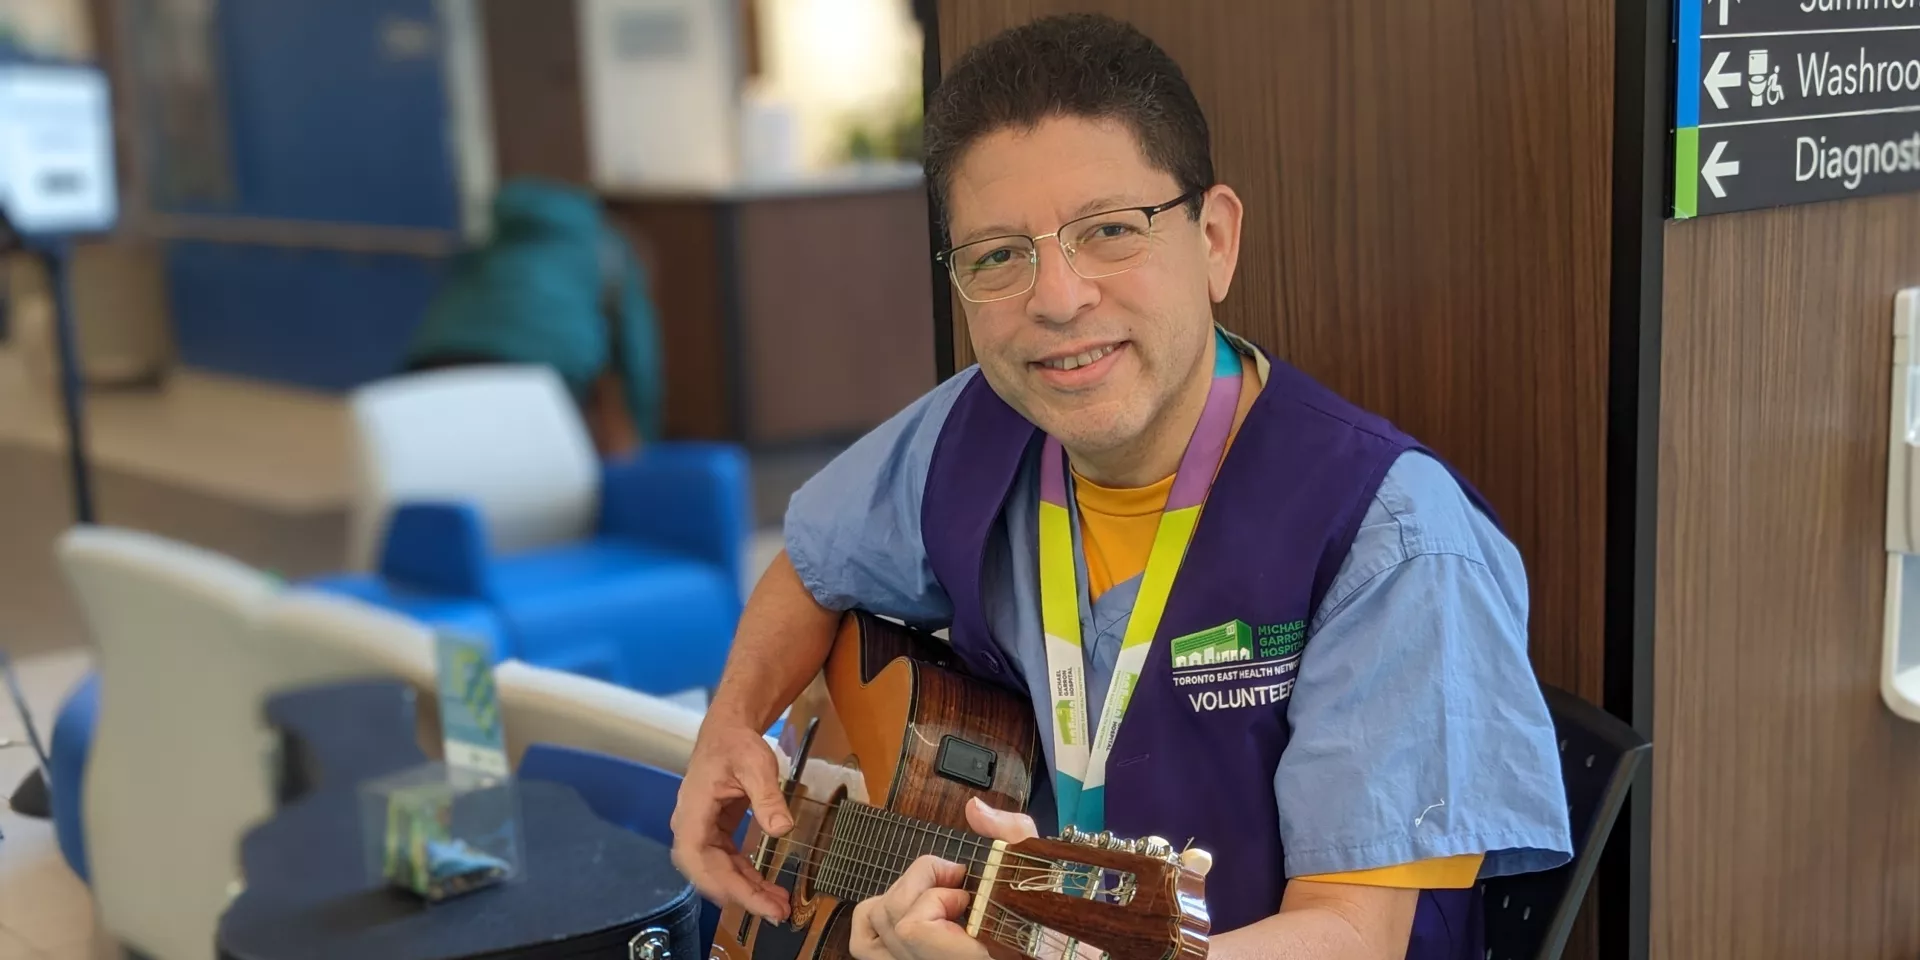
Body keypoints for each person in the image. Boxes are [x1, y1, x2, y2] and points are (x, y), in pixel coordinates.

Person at [669, 13, 1572, 960]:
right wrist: (732, 723)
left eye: (1109, 231)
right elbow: (812, 565)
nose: (1057, 300)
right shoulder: (972, 429)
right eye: (998, 255)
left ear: (1214, 239)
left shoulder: (1390, 535)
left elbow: (1353, 935)